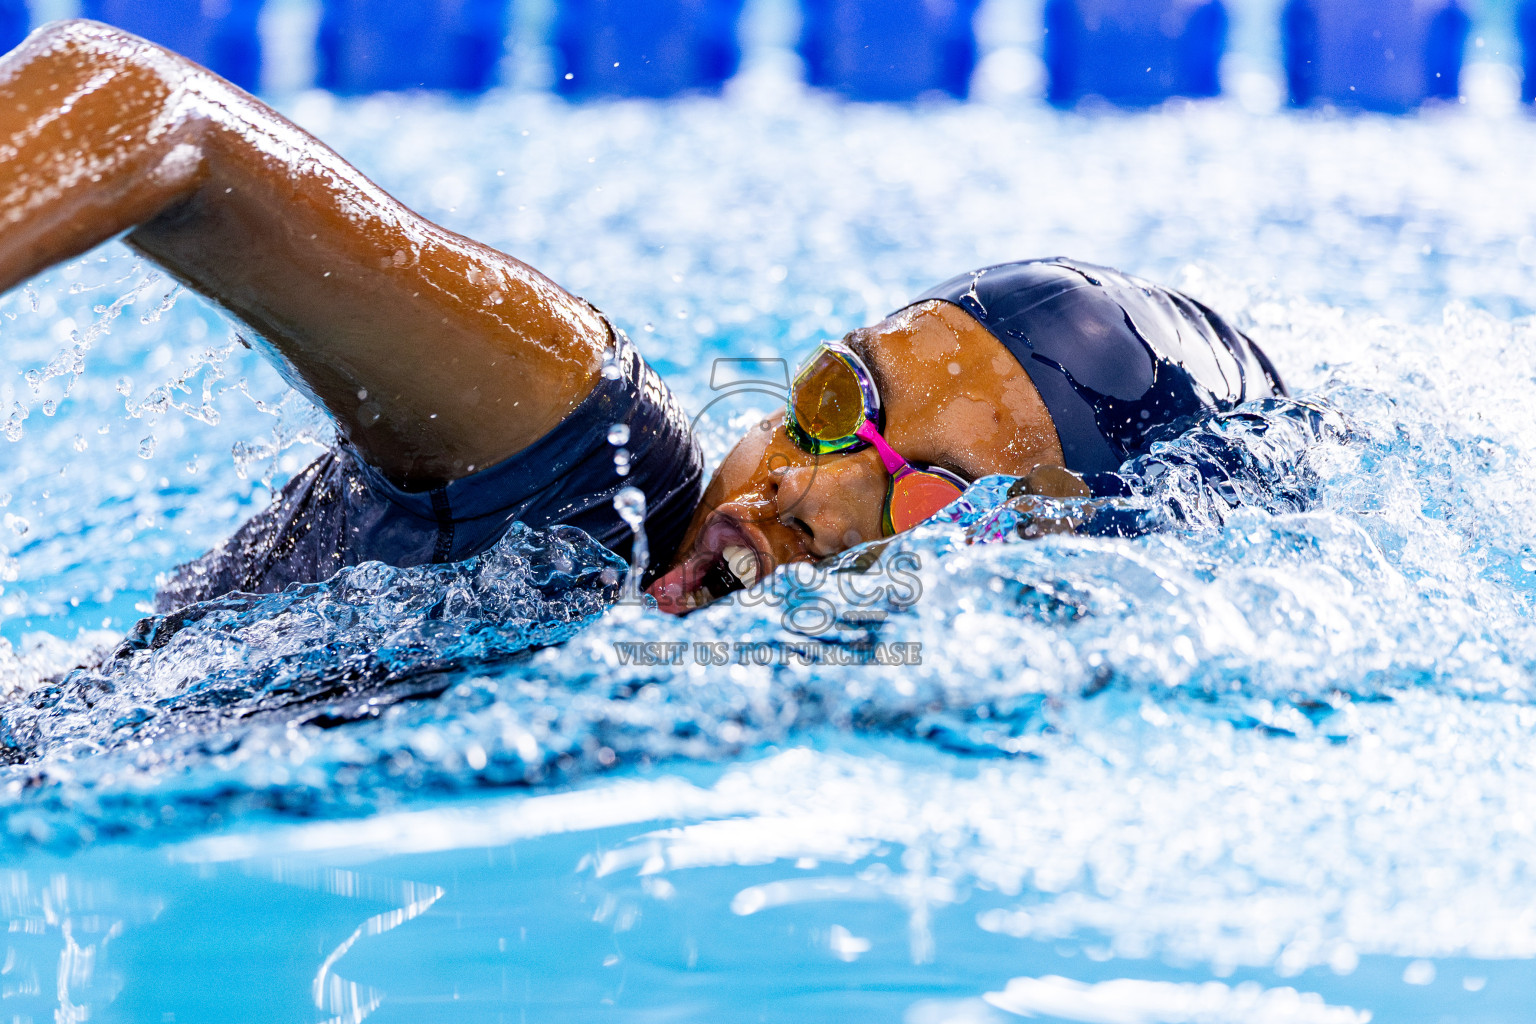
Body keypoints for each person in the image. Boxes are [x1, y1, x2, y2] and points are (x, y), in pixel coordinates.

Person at [0, 21, 1286, 620]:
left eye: (931, 494)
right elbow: (133, 101)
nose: (804, 492)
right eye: (843, 399)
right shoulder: (571, 446)